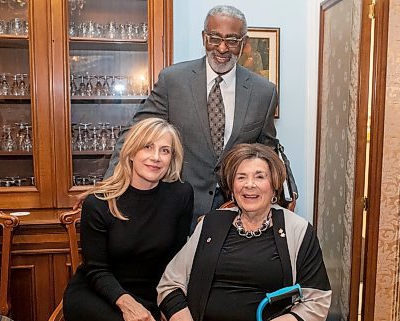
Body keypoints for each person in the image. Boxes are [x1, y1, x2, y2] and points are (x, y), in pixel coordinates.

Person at [102, 5, 297, 227]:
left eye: (232, 40)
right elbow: (134, 134)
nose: (222, 48)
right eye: (215, 38)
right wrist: (109, 186)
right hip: (176, 209)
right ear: (204, 38)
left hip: (237, 212)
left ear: (243, 43)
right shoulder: (173, 81)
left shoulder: (264, 92)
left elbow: (267, 152)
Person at [157, 143, 331, 321]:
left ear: (274, 185)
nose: (250, 185)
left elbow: (316, 303)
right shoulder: (211, 224)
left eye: (260, 177)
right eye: (241, 177)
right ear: (232, 185)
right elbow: (170, 283)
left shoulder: (298, 230)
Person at [63, 118, 194, 321]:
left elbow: (176, 260)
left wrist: (170, 305)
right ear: (131, 152)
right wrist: (126, 305)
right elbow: (96, 269)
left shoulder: (180, 195)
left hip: (149, 296)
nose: (156, 157)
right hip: (99, 296)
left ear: (171, 159)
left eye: (164, 150)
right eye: (148, 147)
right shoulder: (99, 202)